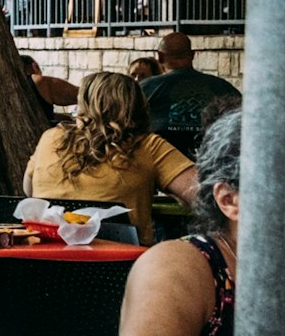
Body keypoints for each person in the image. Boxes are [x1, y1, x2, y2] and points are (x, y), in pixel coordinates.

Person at [22, 71, 197, 234]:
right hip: (123, 262)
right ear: (138, 105)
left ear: (83, 103)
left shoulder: (51, 138)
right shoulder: (148, 146)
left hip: (48, 258)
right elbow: (202, 194)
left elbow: (29, 190)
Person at [141, 29, 240, 141]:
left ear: (160, 56)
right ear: (193, 54)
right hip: (208, 154)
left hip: (160, 156)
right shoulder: (222, 87)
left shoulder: (147, 87)